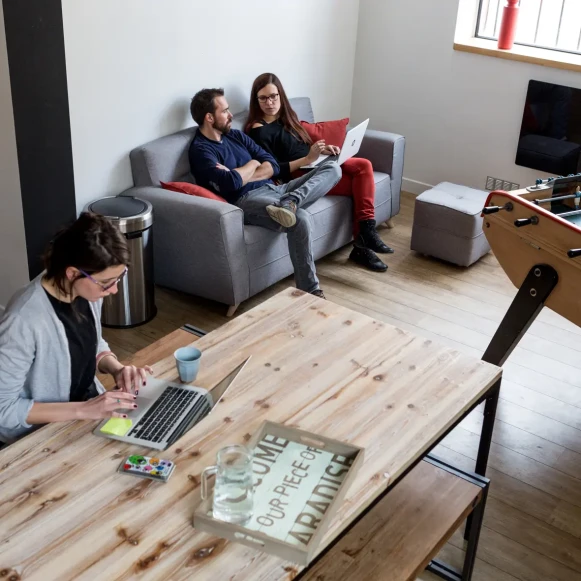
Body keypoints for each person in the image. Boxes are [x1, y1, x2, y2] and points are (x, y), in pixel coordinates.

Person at [0, 213, 153, 445]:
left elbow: (91, 343)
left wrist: (117, 369)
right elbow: (4, 410)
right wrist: (83, 410)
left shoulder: (86, 292)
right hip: (38, 436)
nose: (113, 290)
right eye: (107, 283)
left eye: (119, 277)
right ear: (72, 273)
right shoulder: (22, 321)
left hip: (86, 412)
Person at [188, 88, 341, 298]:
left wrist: (241, 173)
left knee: (333, 168)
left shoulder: (235, 135)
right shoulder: (201, 150)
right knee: (300, 218)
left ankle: (291, 201)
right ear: (209, 117)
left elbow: (273, 165)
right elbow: (230, 183)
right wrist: (253, 163)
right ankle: (310, 291)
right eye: (225, 111)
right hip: (246, 200)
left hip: (275, 189)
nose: (231, 115)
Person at [245, 73, 394, 272]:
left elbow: (301, 146)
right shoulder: (257, 129)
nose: (270, 102)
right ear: (256, 100)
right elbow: (274, 165)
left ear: (281, 95)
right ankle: (362, 244)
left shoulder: (287, 118)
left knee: (364, 165)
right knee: (358, 184)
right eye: (263, 98)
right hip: (301, 172)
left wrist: (322, 150)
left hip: (316, 161)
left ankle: (366, 231)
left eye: (273, 96)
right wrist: (309, 159)